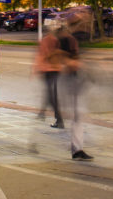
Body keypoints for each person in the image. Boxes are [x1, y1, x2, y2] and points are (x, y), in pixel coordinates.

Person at [55, 20, 93, 161]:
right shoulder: (68, 39)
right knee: (78, 115)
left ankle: (78, 148)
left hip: (76, 80)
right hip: (71, 81)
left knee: (79, 116)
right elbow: (60, 56)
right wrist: (73, 63)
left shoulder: (78, 38)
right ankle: (77, 149)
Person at [34, 24, 64, 128]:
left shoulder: (45, 41)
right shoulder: (55, 39)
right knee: (50, 93)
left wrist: (37, 68)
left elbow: (43, 55)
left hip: (48, 69)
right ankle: (43, 113)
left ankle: (59, 120)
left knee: (51, 95)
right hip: (56, 69)